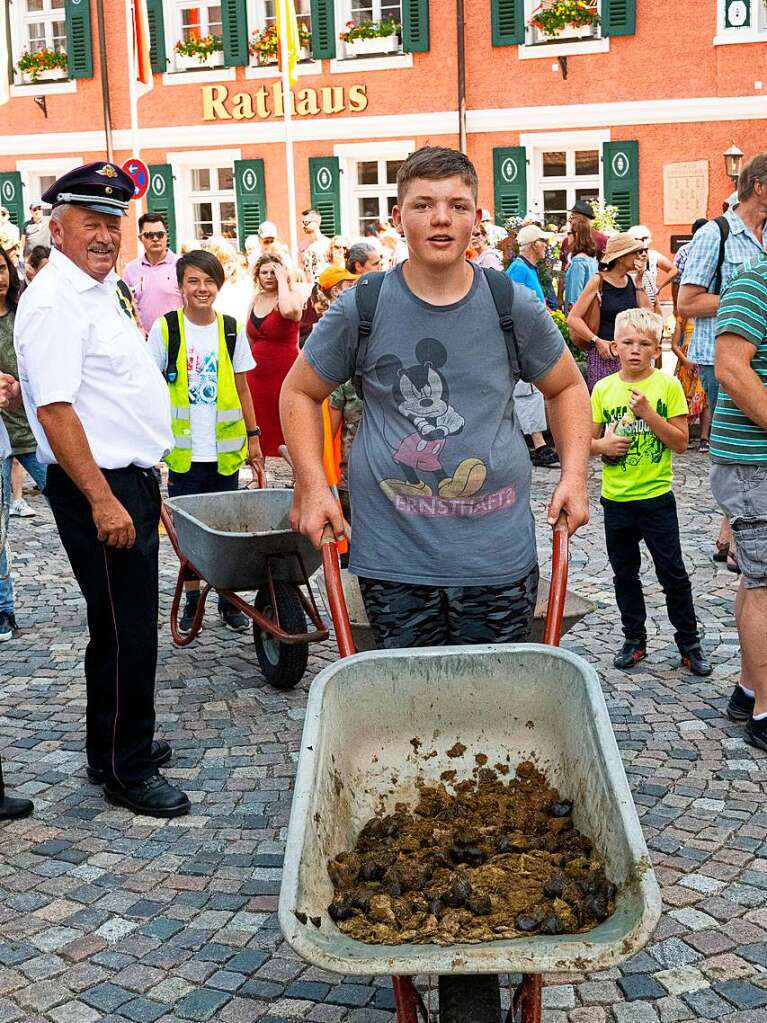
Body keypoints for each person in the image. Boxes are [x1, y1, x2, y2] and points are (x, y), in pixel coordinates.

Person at [280, 146, 591, 649]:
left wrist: (575, 476)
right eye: (424, 205)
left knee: (495, 699)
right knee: (409, 705)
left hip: (496, 556)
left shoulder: (509, 303)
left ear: (476, 218)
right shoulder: (364, 303)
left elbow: (567, 387)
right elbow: (298, 391)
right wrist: (313, 484)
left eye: (457, 205)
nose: (441, 219)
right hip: (395, 557)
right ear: (398, 218)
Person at [13, 162, 190, 818]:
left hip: (126, 479)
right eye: (91, 222)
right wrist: (103, 499)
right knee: (128, 630)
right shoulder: (56, 300)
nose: (106, 235)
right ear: (56, 230)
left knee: (114, 624)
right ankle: (127, 767)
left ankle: (109, 742)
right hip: (101, 485)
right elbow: (55, 410)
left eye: (112, 222)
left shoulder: (97, 288)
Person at [147, 249, 263, 632]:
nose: (201, 288)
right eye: (193, 281)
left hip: (225, 454)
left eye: (208, 281)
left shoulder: (230, 329)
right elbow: (147, 388)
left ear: (219, 285)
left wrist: (255, 438)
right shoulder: (167, 330)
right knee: (191, 536)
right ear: (180, 286)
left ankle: (230, 604)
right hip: (184, 454)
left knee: (227, 532)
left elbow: (243, 389)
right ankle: (193, 600)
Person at [591, 308, 711, 676]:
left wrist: (647, 413)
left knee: (673, 573)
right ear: (615, 346)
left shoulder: (667, 386)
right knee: (624, 574)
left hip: (656, 499)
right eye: (627, 343)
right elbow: (584, 441)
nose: (635, 350)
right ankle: (634, 639)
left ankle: (689, 643)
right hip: (616, 500)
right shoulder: (603, 389)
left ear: (657, 350)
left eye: (644, 344)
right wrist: (603, 447)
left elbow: (679, 442)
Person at [679, 154, 767, 558]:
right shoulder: (716, 233)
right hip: (722, 356)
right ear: (759, 186)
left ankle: (732, 536)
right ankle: (739, 540)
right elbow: (686, 300)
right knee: (738, 441)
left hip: (756, 353)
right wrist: (742, 300)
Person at [709, 251, 767, 750]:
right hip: (755, 463)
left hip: (757, 463)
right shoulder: (756, 282)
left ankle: (749, 693)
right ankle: (766, 711)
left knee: (758, 577)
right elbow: (729, 368)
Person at [0, 245, 47, 638]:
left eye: (1, 268)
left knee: (74, 506)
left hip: (34, 431)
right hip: (0, 438)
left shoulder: (24, 315)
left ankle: (99, 591)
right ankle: (4, 608)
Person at [567, 232, 651, 391]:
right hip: (604, 356)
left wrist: (640, 281)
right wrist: (597, 341)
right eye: (634, 253)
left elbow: (647, 315)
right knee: (605, 406)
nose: (639, 256)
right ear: (621, 257)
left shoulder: (632, 281)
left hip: (629, 355)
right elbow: (573, 318)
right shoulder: (598, 281)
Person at [505, 226, 560, 468]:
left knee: (530, 393)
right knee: (526, 393)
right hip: (523, 340)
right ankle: (539, 445)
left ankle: (537, 444)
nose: (546, 247)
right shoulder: (519, 268)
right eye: (542, 242)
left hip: (531, 338)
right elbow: (513, 305)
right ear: (533, 245)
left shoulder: (528, 268)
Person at [246, 254, 305, 457]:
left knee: (286, 423)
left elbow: (289, 311)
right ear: (257, 275)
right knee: (258, 424)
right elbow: (249, 336)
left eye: (274, 272)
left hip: (284, 371)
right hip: (256, 373)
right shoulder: (255, 299)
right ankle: (259, 473)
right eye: (264, 272)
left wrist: (283, 281)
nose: (269, 276)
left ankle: (296, 474)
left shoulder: (292, 297)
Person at [122, 213, 182, 334]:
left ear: (166, 237)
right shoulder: (130, 269)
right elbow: (126, 306)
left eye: (160, 234)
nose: (155, 239)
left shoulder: (181, 266)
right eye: (149, 235)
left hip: (175, 338)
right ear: (140, 238)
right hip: (143, 341)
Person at [627, 225, 674, 293]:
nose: (643, 242)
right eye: (638, 239)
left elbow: (673, 270)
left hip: (650, 298)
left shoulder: (653, 256)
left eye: (644, 239)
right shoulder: (626, 257)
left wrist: (659, 286)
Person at [564, 220, 598, 311]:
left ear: (577, 235)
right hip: (590, 309)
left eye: (569, 233)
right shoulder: (592, 259)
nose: (567, 236)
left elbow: (575, 296)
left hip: (579, 314)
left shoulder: (578, 261)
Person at [300, 209, 330, 281]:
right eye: (302, 222)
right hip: (308, 285)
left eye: (306, 222)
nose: (303, 225)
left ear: (317, 223)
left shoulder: (328, 244)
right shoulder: (302, 245)